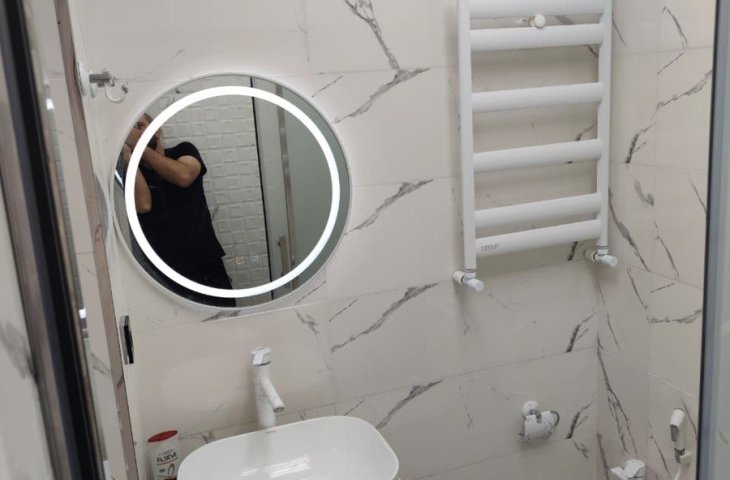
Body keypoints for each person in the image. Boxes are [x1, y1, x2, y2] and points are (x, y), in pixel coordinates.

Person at [122, 113, 235, 306]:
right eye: (129, 131)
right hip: (165, 273)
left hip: (206, 264)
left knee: (228, 319)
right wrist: (128, 157)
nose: (135, 133)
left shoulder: (183, 151)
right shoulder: (132, 170)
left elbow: (184, 176)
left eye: (140, 126)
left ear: (157, 131)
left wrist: (139, 147)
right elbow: (143, 205)